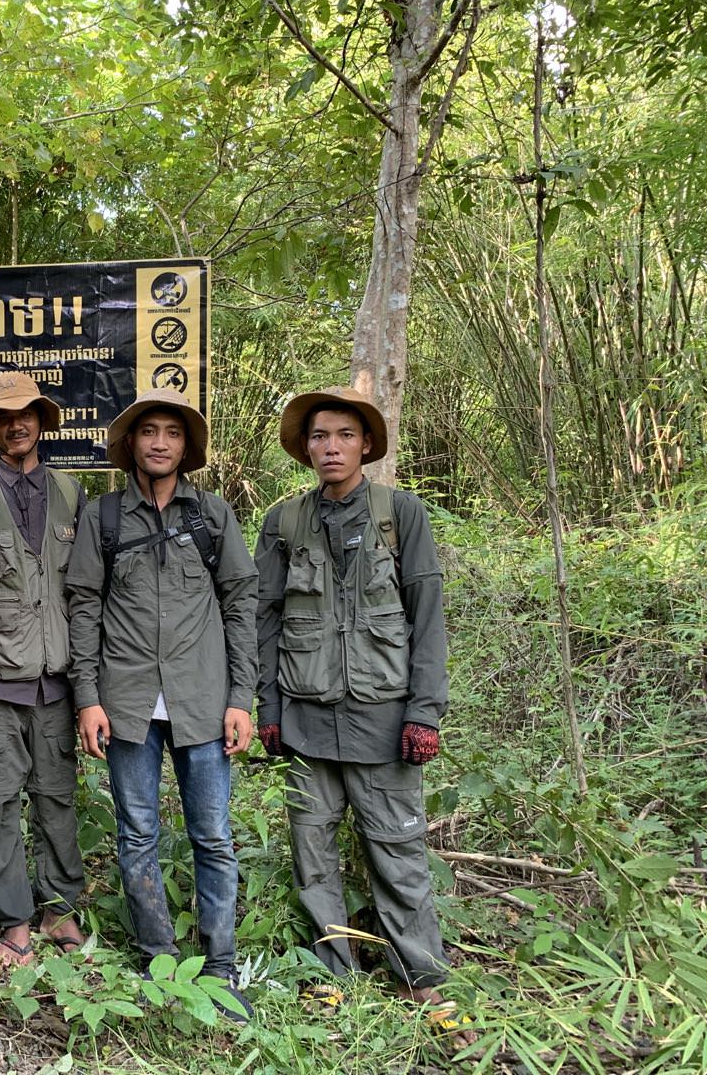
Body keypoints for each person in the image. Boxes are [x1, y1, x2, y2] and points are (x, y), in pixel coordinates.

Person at [253, 386, 468, 1032]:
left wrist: (424, 713)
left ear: (366, 444)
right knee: (312, 853)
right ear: (306, 448)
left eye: (344, 435)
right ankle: (331, 973)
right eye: (320, 437)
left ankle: (420, 977)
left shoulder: (402, 514)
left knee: (398, 853)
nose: (331, 447)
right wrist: (266, 705)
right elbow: (262, 621)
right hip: (307, 720)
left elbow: (427, 621)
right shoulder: (283, 522)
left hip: (384, 718)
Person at [66, 387, 259, 1021]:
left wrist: (241, 698)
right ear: (131, 444)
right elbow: (84, 609)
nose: (158, 442)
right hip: (124, 703)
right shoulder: (104, 519)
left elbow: (239, 606)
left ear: (185, 447)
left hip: (202, 700)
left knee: (213, 834)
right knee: (137, 832)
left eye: (171, 434)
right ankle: (157, 959)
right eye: (148, 431)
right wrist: (88, 699)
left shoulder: (212, 517)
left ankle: (222, 966)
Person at [0, 372, 87, 969]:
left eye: (26, 413)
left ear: (41, 422)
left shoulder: (73, 493)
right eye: (4, 417)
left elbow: (85, 596)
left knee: (57, 797)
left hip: (57, 682)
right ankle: (13, 919)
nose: (16, 424)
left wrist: (88, 688)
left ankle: (59, 908)